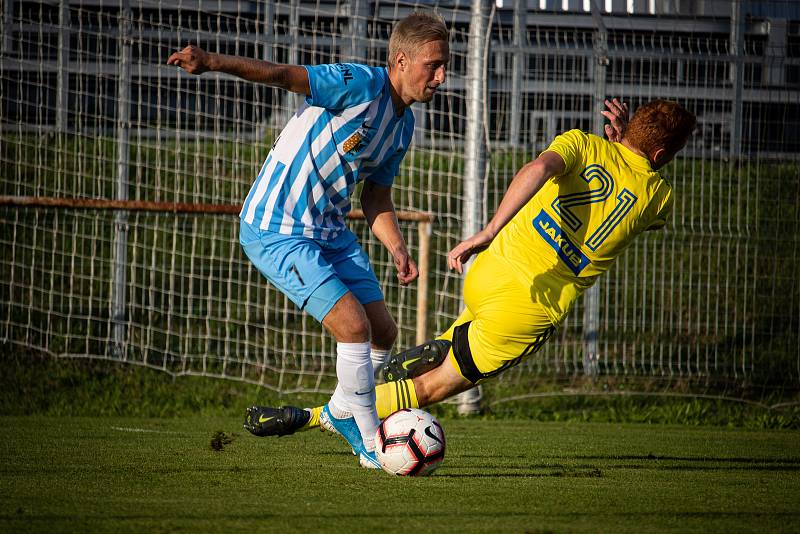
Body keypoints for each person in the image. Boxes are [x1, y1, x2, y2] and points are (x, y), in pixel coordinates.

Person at [243, 99, 695, 443]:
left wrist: (489, 230)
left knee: (450, 347)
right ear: (660, 153)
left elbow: (539, 167)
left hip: (492, 270)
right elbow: (631, 182)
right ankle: (317, 416)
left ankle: (443, 344)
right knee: (433, 387)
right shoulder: (660, 196)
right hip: (530, 307)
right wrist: (629, 153)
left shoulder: (582, 143)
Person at [168, 11, 451, 468]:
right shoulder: (359, 83)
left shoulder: (403, 126)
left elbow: (376, 194)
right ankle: (369, 443)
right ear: (400, 60)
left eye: (444, 66)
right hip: (277, 226)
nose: (441, 76)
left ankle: (342, 410)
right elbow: (284, 75)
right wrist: (211, 61)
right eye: (432, 65)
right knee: (352, 326)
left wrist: (397, 247)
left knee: (383, 332)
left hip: (328, 230)